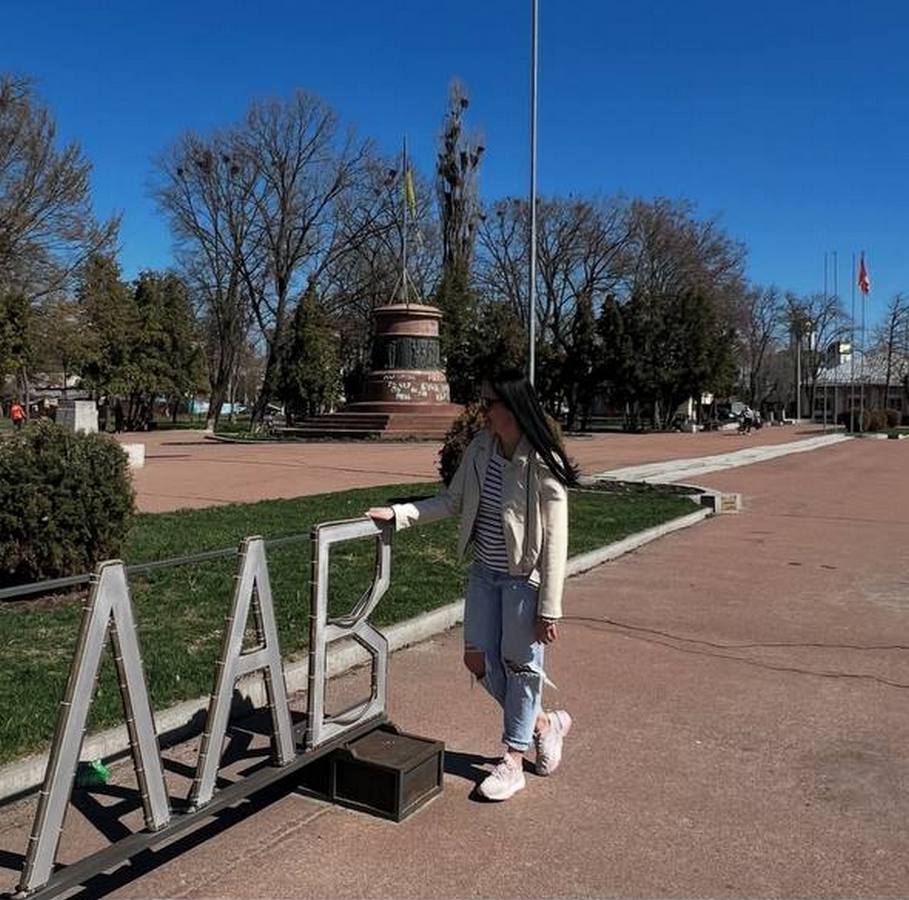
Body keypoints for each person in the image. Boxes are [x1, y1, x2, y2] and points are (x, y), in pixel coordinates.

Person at [366, 368, 577, 801]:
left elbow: (557, 539)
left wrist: (549, 607)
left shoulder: (542, 460)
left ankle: (512, 760)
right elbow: (453, 501)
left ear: (511, 407)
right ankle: (543, 723)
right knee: (477, 660)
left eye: (488, 402)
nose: (482, 410)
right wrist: (400, 514)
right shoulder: (481, 448)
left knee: (521, 667)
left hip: (523, 582)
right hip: (484, 573)